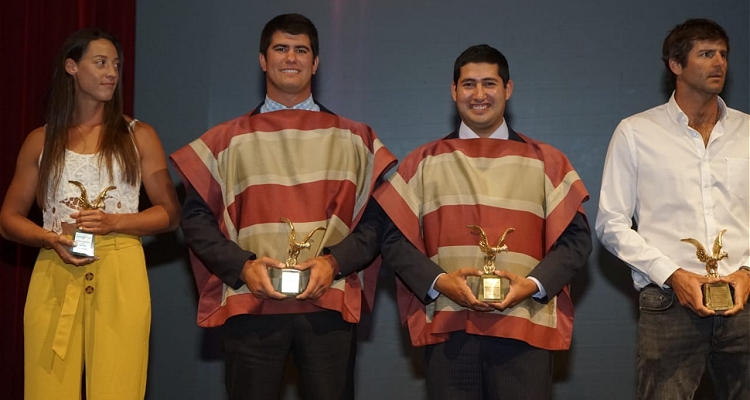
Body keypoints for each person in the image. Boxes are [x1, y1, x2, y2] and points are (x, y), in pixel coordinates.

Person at [313, 44, 591, 399]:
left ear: (508, 89)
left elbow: (576, 243)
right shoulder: (422, 162)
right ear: (453, 91)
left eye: (489, 84)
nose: (479, 95)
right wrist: (440, 282)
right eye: (469, 84)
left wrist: (532, 285)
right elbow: (393, 241)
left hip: (524, 326)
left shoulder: (549, 162)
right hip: (450, 328)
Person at [170, 13, 396, 400]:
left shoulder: (355, 137)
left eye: (301, 50)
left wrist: (333, 263)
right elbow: (194, 220)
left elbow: (377, 222)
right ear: (262, 60)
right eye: (281, 49)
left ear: (315, 63)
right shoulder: (226, 139)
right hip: (250, 302)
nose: (291, 57)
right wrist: (243, 266)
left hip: (327, 302)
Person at [0, 29, 180, 399]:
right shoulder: (41, 139)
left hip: (121, 269)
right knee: (47, 388)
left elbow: (170, 214)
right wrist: (48, 237)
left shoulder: (139, 135)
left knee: (118, 387)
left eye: (115, 64)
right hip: (54, 266)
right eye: (100, 63)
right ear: (71, 67)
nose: (111, 72)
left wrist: (117, 222)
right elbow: (9, 219)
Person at [596, 18, 750, 400]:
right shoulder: (636, 132)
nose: (719, 63)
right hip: (668, 302)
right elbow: (611, 223)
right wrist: (672, 274)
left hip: (744, 300)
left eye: (723, 54)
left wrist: (748, 272)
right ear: (676, 65)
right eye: (706, 53)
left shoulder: (748, 131)